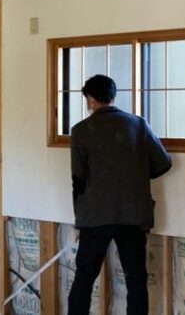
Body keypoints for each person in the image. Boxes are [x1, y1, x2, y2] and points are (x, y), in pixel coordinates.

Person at [68, 75, 172, 315]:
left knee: (84, 278)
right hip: (133, 214)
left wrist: (79, 219)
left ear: (90, 100)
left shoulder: (81, 131)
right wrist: (136, 176)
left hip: (95, 215)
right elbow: (164, 162)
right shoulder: (138, 124)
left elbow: (78, 179)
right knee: (135, 279)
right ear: (113, 97)